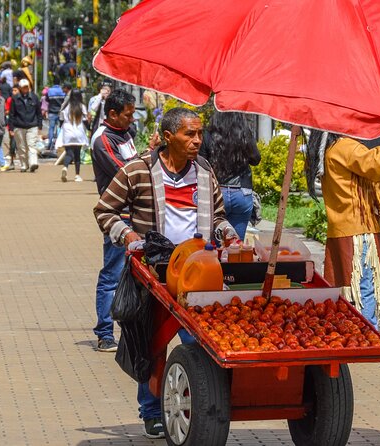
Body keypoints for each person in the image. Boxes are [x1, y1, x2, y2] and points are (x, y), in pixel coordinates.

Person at [94, 107, 238, 438]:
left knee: (201, 344)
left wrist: (227, 232)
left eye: (200, 134)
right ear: (169, 137)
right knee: (153, 345)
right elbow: (105, 209)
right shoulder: (137, 171)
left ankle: (200, 407)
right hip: (153, 274)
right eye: (190, 134)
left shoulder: (204, 172)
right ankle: (150, 410)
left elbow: (216, 216)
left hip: (197, 274)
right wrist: (127, 235)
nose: (197, 141)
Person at [305, 130, 380, 339]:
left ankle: (358, 334)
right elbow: (375, 164)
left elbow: (372, 156)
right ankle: (368, 336)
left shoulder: (332, 148)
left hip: (343, 229)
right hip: (358, 231)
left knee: (352, 289)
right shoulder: (345, 146)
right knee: (364, 288)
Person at [90, 89, 140, 354]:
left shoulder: (125, 134)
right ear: (112, 114)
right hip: (118, 216)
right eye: (127, 115)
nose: (131, 120)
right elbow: (126, 172)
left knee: (136, 275)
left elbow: (133, 162)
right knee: (112, 274)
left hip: (137, 214)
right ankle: (105, 333)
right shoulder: (102, 140)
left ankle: (131, 331)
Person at [199, 111, 261, 240]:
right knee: (236, 245)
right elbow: (256, 159)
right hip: (241, 193)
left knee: (213, 243)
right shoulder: (244, 134)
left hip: (216, 194)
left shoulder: (207, 135)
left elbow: (201, 163)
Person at [9, 79, 42, 172]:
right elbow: (12, 114)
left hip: (32, 125)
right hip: (19, 126)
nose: (25, 89)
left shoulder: (34, 97)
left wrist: (40, 125)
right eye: (23, 87)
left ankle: (33, 163)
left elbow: (38, 112)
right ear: (20, 88)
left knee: (32, 145)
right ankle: (24, 164)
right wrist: (11, 128)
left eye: (27, 87)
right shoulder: (15, 98)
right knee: (21, 147)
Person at [59, 89, 89, 182]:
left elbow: (61, 119)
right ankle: (77, 175)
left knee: (69, 153)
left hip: (68, 131)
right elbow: (85, 121)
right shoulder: (82, 106)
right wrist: (89, 129)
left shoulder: (66, 106)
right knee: (77, 154)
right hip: (78, 131)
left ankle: (65, 167)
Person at [45, 82, 67, 155]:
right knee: (60, 128)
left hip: (52, 112)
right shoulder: (62, 90)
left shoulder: (50, 91)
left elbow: (47, 99)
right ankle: (58, 144)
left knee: (51, 128)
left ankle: (50, 144)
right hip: (60, 112)